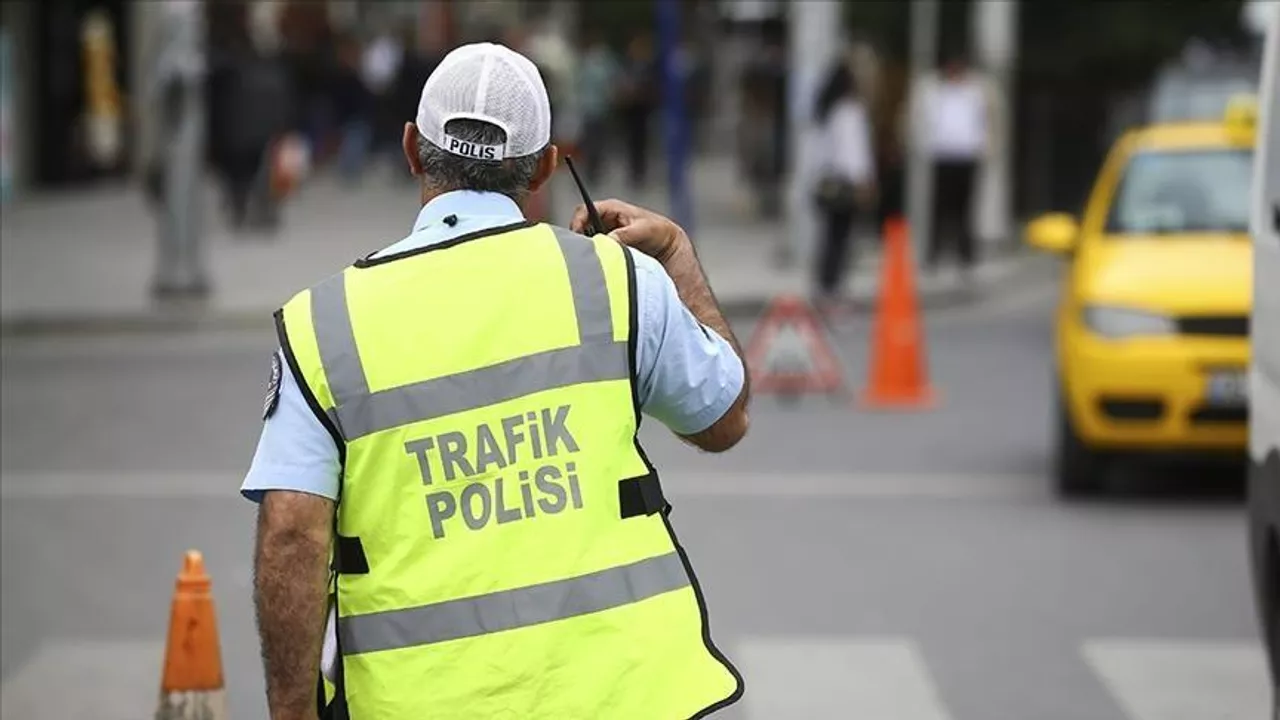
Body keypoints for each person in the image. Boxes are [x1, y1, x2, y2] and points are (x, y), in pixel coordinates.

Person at [242, 42, 750, 719]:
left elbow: (292, 535)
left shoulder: (323, 326)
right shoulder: (616, 281)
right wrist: (676, 255)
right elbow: (724, 416)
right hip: (618, 699)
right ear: (545, 165)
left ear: (411, 148)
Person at [916, 47, 991, 282]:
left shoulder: (975, 91)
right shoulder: (935, 91)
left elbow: (983, 120)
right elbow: (924, 119)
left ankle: (965, 257)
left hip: (966, 155)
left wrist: (982, 147)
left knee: (965, 209)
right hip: (943, 154)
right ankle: (933, 256)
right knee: (939, 208)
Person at [811, 57, 877, 315]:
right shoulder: (849, 111)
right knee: (840, 239)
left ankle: (825, 289)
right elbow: (853, 153)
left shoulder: (827, 111)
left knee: (830, 238)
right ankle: (833, 292)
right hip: (845, 184)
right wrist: (863, 182)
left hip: (828, 181)